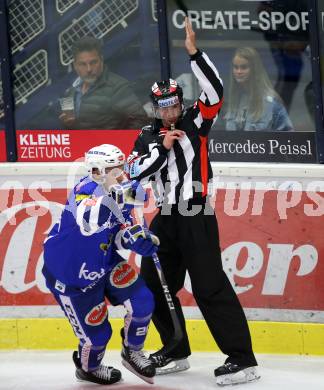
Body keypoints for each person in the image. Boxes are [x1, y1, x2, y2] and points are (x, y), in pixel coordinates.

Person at [126, 17, 260, 386]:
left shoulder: (196, 121)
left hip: (196, 213)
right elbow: (134, 171)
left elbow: (215, 91)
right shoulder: (147, 137)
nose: (169, 112)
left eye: (173, 105)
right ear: (154, 107)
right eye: (162, 107)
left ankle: (242, 358)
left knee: (208, 285)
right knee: (153, 283)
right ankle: (175, 349)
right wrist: (162, 146)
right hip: (165, 219)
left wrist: (194, 54)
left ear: (179, 103)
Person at [42, 144, 159, 385]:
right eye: (115, 170)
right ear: (97, 172)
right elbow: (89, 221)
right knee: (97, 337)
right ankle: (89, 369)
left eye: (122, 168)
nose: (122, 174)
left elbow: (125, 228)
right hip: (72, 275)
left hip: (104, 262)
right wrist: (122, 197)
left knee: (143, 302)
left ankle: (133, 350)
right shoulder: (83, 191)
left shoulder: (121, 188)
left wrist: (136, 239)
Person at [59, 37, 146, 130]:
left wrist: (116, 141)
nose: (89, 69)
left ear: (101, 60)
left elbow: (140, 120)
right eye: (83, 64)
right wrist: (68, 125)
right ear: (75, 66)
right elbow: (69, 127)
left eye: (93, 62)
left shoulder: (117, 87)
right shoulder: (70, 91)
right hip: (80, 144)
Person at [224, 47, 293, 132]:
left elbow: (289, 137)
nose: (239, 71)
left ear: (254, 69)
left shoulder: (271, 102)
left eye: (244, 67)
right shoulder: (233, 99)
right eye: (236, 67)